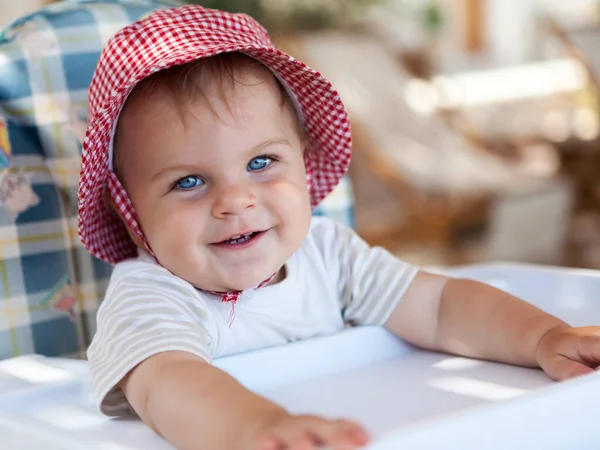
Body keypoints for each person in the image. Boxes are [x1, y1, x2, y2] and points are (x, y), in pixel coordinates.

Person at [78, 5, 600, 450]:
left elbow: (439, 309)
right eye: (189, 181)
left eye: (261, 163)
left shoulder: (327, 254)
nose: (235, 200)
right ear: (131, 211)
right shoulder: (150, 295)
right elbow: (167, 383)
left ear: (303, 164)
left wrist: (543, 337)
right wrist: (257, 428)